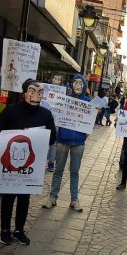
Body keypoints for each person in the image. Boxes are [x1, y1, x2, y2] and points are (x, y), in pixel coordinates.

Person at [0, 79, 56, 245]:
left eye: (39, 93)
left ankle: (19, 230)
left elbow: (52, 138)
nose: (35, 95)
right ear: (24, 93)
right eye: (32, 92)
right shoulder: (11, 110)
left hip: (30, 166)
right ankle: (5, 230)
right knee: (8, 197)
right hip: (10, 164)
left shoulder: (45, 114)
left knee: (24, 197)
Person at [42, 73, 91, 212]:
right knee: (58, 170)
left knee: (74, 172)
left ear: (84, 86)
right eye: (75, 83)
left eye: (80, 83)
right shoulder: (64, 99)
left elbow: (89, 122)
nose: (77, 86)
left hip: (79, 142)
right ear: (71, 84)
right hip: (63, 140)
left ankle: (74, 199)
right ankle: (53, 197)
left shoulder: (88, 102)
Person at [47, 73, 64, 172]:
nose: (55, 81)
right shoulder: (45, 89)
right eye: (54, 78)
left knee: (53, 142)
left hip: (56, 121)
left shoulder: (63, 93)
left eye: (58, 79)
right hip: (46, 118)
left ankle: (51, 162)